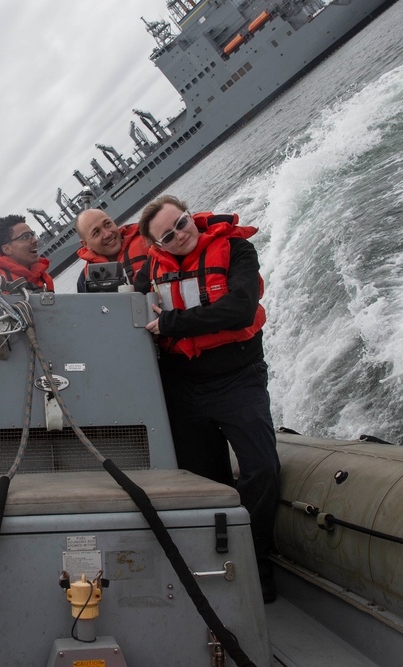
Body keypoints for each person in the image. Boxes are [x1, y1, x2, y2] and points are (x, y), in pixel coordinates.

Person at [140, 194, 280, 603]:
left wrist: (171, 323)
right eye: (167, 236)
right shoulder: (149, 272)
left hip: (238, 378)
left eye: (182, 223)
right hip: (183, 388)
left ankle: (257, 563)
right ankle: (221, 568)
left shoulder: (236, 248)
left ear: (190, 214)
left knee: (262, 470)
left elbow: (239, 309)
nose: (180, 235)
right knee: (204, 481)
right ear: (157, 247)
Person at [0, 214, 54, 291]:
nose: (35, 240)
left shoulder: (40, 277)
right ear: (7, 249)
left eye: (32, 234)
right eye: (25, 237)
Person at [74, 208, 151, 293]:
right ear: (86, 244)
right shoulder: (85, 280)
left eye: (107, 224)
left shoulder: (149, 240)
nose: (107, 234)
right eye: (96, 232)